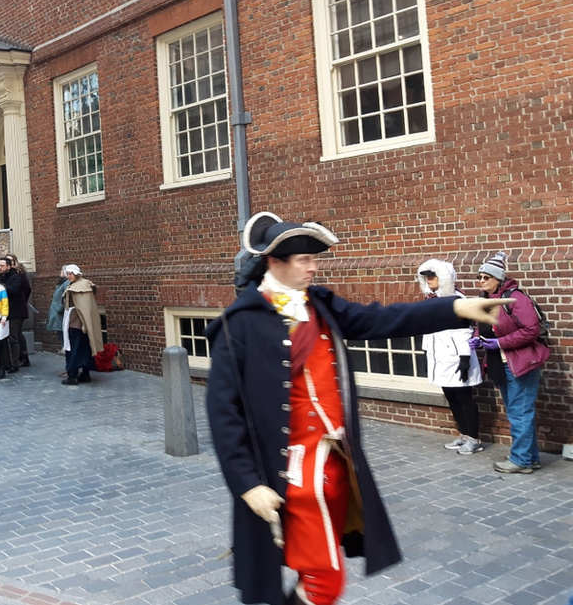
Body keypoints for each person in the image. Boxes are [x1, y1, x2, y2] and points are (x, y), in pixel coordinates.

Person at [204, 212, 511, 605]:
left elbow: (381, 318)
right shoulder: (239, 325)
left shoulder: (320, 304)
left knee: (316, 571)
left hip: (337, 468)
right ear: (275, 263)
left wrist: (455, 308)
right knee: (323, 578)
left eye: (315, 259)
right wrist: (247, 483)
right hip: (292, 477)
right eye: (304, 260)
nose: (314, 267)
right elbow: (223, 414)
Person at [470, 250, 548, 474]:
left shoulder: (516, 299)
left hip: (520, 363)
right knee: (518, 411)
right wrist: (477, 339)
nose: (482, 281)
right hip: (501, 364)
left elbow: (531, 329)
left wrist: (501, 343)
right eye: (480, 277)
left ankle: (521, 460)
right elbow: (482, 327)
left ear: (498, 279)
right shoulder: (486, 300)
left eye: (486, 277)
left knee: (519, 412)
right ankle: (529, 457)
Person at [416, 259, 483, 454]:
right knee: (451, 396)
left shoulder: (456, 300)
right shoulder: (431, 300)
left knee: (464, 396)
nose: (428, 280)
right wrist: (426, 352)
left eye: (433, 276)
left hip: (455, 357)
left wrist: (464, 358)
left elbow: (464, 331)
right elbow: (428, 331)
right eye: (426, 277)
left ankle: (474, 438)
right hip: (439, 357)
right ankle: (463, 434)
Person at [61, 265, 103, 386]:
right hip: (80, 322)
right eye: (67, 274)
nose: (68, 276)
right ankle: (85, 373)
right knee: (84, 348)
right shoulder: (82, 285)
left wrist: (83, 323)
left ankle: (73, 375)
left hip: (76, 324)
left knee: (75, 349)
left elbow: (83, 308)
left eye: (70, 274)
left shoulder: (80, 287)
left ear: (76, 274)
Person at [0, 255, 30, 370]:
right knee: (4, 338)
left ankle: (15, 363)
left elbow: (14, 290)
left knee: (13, 338)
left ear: (9, 266)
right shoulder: (0, 277)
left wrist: (1, 287)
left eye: (2, 266)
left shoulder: (16, 277)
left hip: (16, 311)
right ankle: (6, 363)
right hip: (3, 312)